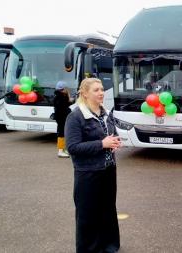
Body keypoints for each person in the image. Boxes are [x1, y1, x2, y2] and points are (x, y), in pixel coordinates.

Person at [65, 78, 121, 253]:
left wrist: (115, 141)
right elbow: (72, 147)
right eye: (96, 90)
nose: (101, 93)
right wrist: (102, 144)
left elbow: (112, 133)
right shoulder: (75, 116)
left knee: (108, 209)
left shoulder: (106, 113)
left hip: (109, 170)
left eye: (102, 89)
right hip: (88, 173)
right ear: (85, 93)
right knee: (87, 214)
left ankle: (109, 245)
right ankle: (89, 249)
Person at [53, 81, 72, 158]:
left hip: (61, 118)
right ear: (63, 89)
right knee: (61, 134)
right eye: (66, 88)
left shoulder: (58, 96)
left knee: (64, 133)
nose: (67, 89)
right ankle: (60, 151)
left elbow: (66, 104)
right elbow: (64, 108)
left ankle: (63, 149)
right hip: (62, 118)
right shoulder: (61, 97)